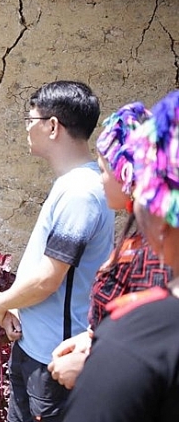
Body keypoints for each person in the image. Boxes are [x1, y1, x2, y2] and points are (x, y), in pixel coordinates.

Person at [0, 80, 115, 422]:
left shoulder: (80, 193)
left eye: (30, 119)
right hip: (36, 349)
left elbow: (49, 278)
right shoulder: (73, 184)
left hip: (55, 362)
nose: (28, 128)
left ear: (53, 126)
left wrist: (1, 302)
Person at [62, 90, 179, 422]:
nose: (100, 180)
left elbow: (154, 332)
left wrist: (100, 359)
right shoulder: (132, 237)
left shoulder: (150, 256)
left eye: (104, 169)